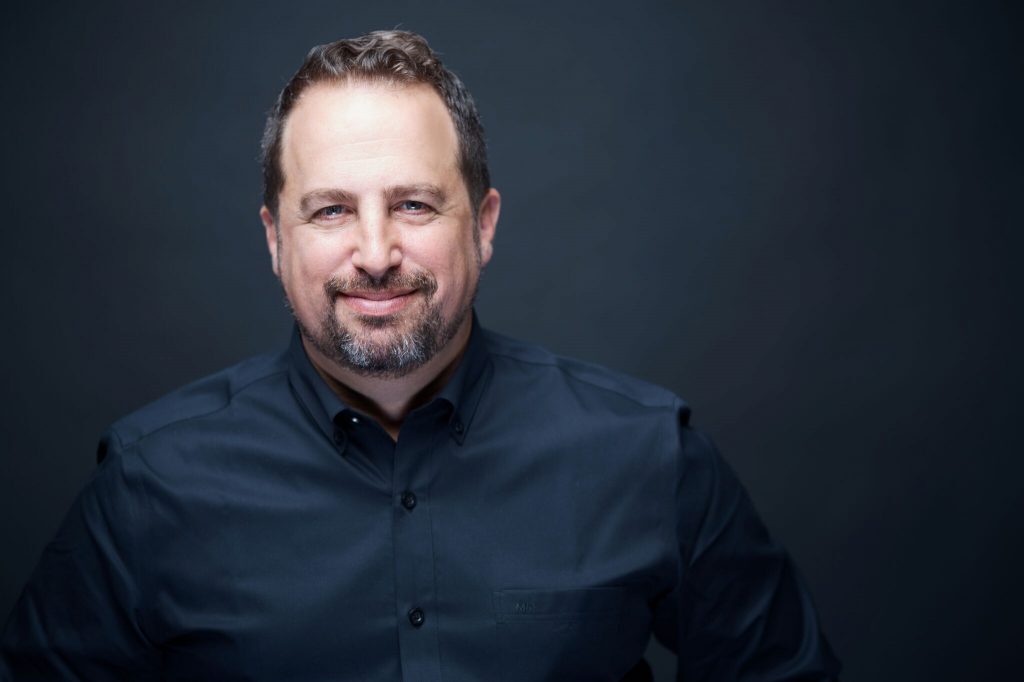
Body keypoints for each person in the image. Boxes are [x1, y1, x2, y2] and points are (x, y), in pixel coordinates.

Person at [0, 30, 841, 681]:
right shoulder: (152, 481)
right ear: (273, 239)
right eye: (330, 210)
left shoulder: (650, 454)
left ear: (483, 225)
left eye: (413, 204)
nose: (374, 252)